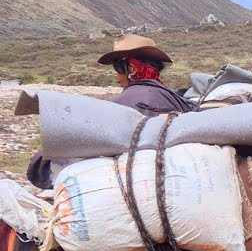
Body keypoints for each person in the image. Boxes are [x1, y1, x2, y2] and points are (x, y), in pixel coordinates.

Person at [27, 34, 192, 188]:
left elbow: (91, 137)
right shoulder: (171, 96)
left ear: (132, 69)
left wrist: (40, 161)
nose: (117, 78)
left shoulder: (131, 100)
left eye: (118, 69)